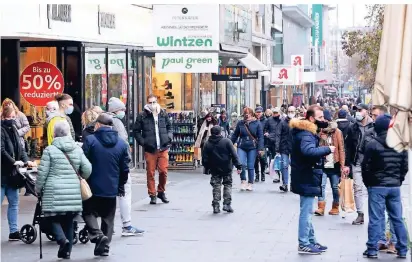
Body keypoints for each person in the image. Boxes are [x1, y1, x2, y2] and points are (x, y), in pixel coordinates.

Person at [36, 121, 91, 259]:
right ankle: (66, 252)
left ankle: (62, 240)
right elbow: (87, 169)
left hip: (53, 191)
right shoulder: (77, 149)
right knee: (69, 221)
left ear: (54, 133)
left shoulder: (49, 150)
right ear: (68, 133)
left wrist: (38, 188)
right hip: (72, 191)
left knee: (51, 218)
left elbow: (42, 173)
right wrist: (78, 176)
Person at [82, 113, 130, 257]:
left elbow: (83, 162)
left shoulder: (90, 140)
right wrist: (120, 185)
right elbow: (125, 168)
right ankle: (104, 247)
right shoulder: (122, 143)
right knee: (108, 218)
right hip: (111, 186)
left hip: (92, 187)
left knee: (88, 212)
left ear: (98, 125)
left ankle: (97, 235)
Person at [361, 115, 408, 259]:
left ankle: (372, 249)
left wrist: (369, 183)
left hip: (377, 186)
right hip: (394, 186)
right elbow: (404, 167)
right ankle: (402, 249)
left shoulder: (372, 144)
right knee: (397, 218)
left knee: (376, 218)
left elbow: (365, 166)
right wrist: (398, 180)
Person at [290, 105, 333, 255]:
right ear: (311, 118)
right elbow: (308, 151)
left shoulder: (307, 132)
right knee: (306, 212)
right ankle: (304, 243)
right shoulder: (306, 134)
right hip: (305, 175)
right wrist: (328, 149)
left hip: (305, 175)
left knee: (307, 210)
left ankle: (311, 240)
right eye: (320, 117)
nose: (323, 120)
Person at [107, 97, 144, 236]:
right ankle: (127, 225)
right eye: (122, 109)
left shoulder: (102, 121)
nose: (124, 112)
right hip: (119, 164)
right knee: (124, 193)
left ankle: (108, 226)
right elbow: (123, 144)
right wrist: (127, 160)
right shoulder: (117, 123)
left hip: (108, 165)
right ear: (117, 110)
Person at [1, 106, 36, 241]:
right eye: (10, 117)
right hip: (3, 173)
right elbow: (1, 150)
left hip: (12, 175)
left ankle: (13, 231)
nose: (12, 119)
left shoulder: (14, 129)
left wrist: (26, 161)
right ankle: (13, 230)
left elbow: (21, 149)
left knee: (14, 203)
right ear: (4, 117)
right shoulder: (1, 130)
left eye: (14, 117)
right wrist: (14, 162)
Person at [133, 94, 172, 205]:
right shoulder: (142, 116)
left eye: (154, 102)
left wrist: (169, 137)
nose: (152, 104)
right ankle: (152, 194)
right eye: (150, 102)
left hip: (163, 147)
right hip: (150, 149)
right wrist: (143, 142)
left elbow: (170, 127)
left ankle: (161, 191)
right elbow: (136, 131)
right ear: (147, 103)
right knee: (150, 173)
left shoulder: (163, 113)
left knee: (163, 171)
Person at [314, 110, 348, 216]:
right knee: (321, 185)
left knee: (334, 186)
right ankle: (321, 207)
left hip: (334, 163)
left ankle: (335, 206)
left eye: (325, 119)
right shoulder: (319, 131)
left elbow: (341, 149)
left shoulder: (337, 132)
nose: (323, 120)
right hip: (322, 163)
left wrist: (343, 165)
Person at [202, 126, 242, 214]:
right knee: (227, 184)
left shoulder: (207, 143)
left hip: (214, 168)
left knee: (216, 185)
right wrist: (238, 166)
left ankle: (216, 205)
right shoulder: (227, 141)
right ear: (220, 132)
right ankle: (227, 204)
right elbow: (234, 154)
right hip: (226, 167)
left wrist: (207, 168)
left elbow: (205, 158)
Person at [346, 103, 374, 225]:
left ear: (367, 111)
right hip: (356, 162)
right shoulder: (353, 127)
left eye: (360, 110)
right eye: (356, 110)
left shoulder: (374, 126)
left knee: (372, 189)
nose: (357, 112)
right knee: (357, 188)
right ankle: (360, 214)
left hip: (371, 164)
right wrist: (347, 164)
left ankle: (374, 215)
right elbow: (348, 146)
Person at [231, 107, 264, 191]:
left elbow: (260, 137)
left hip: (252, 147)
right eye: (246, 113)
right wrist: (230, 144)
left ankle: (250, 183)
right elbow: (235, 135)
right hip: (241, 146)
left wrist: (260, 148)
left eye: (249, 113)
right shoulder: (240, 123)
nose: (247, 115)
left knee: (250, 165)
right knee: (241, 164)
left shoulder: (257, 123)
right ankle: (243, 181)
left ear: (252, 114)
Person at [277, 106, 296, 192]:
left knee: (294, 166)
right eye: (289, 111)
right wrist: (277, 147)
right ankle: (285, 184)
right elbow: (278, 135)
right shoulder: (282, 122)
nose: (290, 113)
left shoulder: (297, 123)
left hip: (295, 147)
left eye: (292, 111)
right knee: (284, 165)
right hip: (284, 146)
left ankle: (293, 184)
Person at [264, 107, 282, 183]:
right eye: (274, 112)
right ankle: (277, 175)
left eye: (276, 112)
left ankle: (283, 176)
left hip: (281, 142)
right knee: (274, 159)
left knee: (281, 160)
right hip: (272, 142)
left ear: (279, 113)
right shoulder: (269, 120)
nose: (275, 114)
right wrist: (267, 134)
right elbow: (265, 129)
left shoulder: (282, 120)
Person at [254, 106, 267, 182]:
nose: (258, 113)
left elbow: (269, 128)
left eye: (259, 112)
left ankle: (262, 173)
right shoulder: (253, 120)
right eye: (257, 112)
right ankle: (257, 174)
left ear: (262, 113)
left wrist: (266, 133)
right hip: (254, 142)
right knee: (255, 159)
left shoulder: (266, 121)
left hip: (263, 142)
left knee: (262, 159)